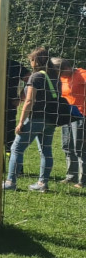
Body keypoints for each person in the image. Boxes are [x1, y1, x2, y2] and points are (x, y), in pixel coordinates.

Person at [4, 47, 59, 192]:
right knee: (46, 150)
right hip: (51, 120)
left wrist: (21, 121)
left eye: (31, 60)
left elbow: (29, 101)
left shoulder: (36, 77)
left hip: (36, 119)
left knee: (16, 148)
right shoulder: (54, 77)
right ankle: (42, 184)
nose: (30, 63)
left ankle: (11, 182)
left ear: (36, 61)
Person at [56, 58, 86, 188]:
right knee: (67, 146)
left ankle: (83, 179)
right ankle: (71, 176)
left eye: (60, 72)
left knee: (79, 147)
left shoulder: (82, 74)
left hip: (80, 116)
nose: (59, 75)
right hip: (66, 116)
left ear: (67, 68)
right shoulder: (62, 78)